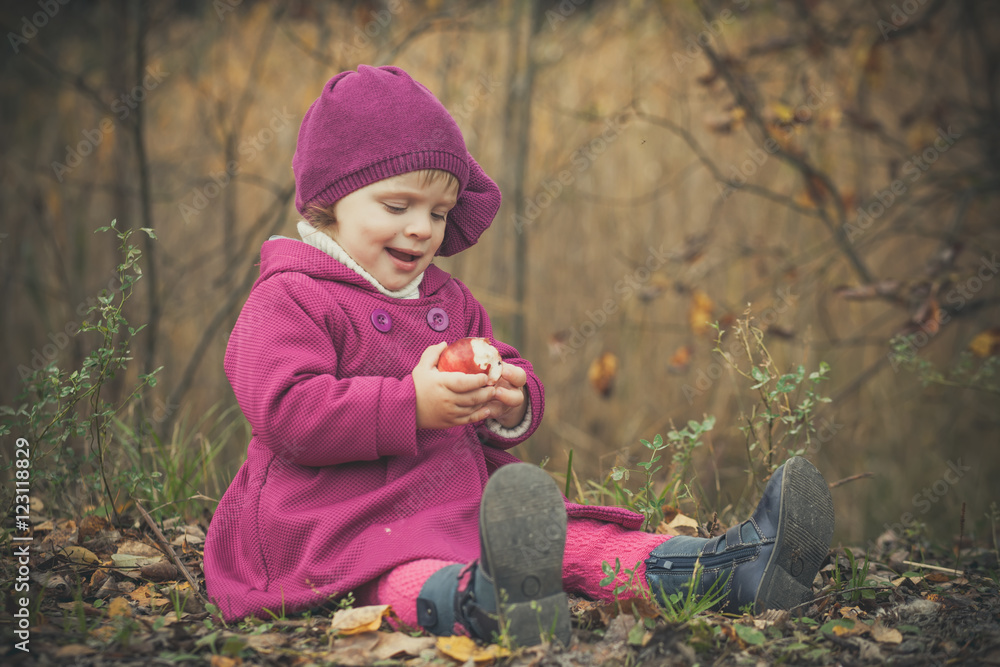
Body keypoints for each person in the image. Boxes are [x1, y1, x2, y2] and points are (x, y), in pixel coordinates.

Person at [203, 65, 835, 646]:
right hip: (336, 522)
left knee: (570, 540)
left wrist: (508, 396)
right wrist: (410, 404)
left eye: (439, 212)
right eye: (397, 207)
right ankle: (481, 601)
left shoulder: (448, 301)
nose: (422, 229)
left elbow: (500, 361)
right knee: (403, 569)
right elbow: (286, 411)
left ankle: (726, 570)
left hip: (454, 506)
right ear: (327, 204)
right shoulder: (291, 296)